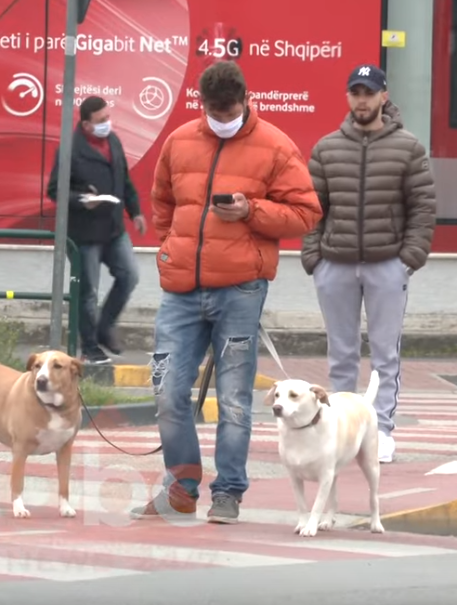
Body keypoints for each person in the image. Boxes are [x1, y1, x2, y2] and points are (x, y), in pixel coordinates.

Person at [130, 60, 323, 524]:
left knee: (234, 398)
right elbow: (162, 202)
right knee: (166, 390)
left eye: (228, 111)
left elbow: (305, 213)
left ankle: (228, 492)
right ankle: (181, 488)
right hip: (181, 289)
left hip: (240, 289)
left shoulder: (276, 145)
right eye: (213, 112)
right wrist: (170, 248)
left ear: (244, 99)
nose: (220, 118)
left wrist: (251, 211)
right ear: (202, 104)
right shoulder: (179, 142)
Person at [300, 64, 437, 464]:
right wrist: (314, 257)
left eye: (369, 92)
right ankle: (342, 431)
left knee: (384, 354)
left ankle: (381, 431)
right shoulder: (326, 148)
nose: (362, 100)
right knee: (340, 353)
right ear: (348, 97)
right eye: (355, 92)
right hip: (335, 264)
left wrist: (408, 260)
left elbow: (423, 208)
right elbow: (313, 209)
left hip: (386, 264)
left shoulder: (408, 147)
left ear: (383, 96)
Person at [46, 96, 147, 365]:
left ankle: (104, 328)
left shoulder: (112, 140)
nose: (107, 124)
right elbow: (55, 190)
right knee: (88, 291)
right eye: (101, 121)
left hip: (113, 229)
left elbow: (123, 178)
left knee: (129, 275)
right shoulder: (70, 148)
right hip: (84, 233)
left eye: (108, 117)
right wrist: (81, 199)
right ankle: (90, 347)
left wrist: (135, 211)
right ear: (87, 125)